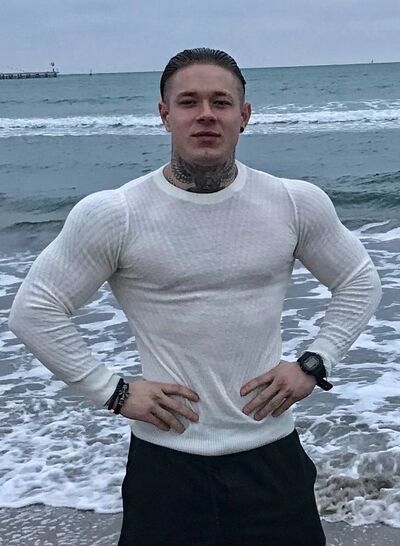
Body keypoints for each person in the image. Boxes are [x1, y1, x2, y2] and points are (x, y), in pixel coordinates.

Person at [8, 48, 382, 546]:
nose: (206, 114)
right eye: (189, 102)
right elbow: (35, 310)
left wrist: (314, 363)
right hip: (167, 466)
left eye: (221, 102)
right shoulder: (116, 213)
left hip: (272, 458)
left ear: (244, 115)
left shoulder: (293, 203)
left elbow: (359, 280)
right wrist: (114, 392)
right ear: (165, 115)